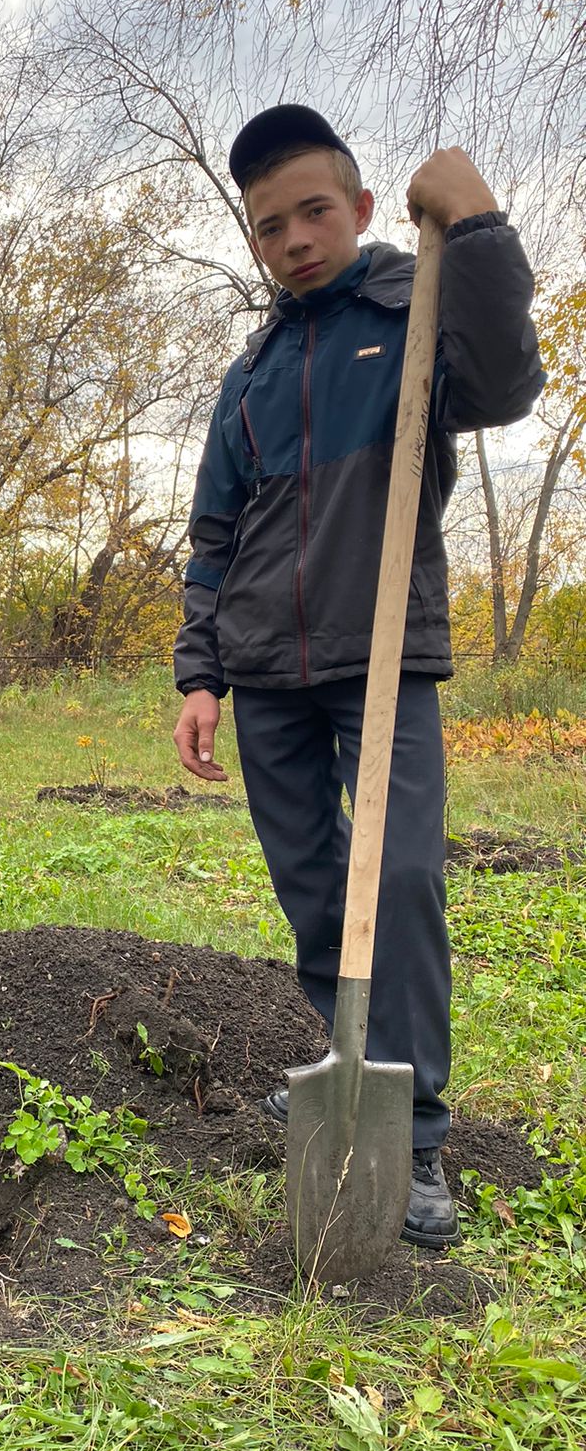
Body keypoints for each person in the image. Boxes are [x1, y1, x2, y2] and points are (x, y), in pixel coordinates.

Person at [172, 105, 544, 1248]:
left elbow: (509, 383)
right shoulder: (252, 371)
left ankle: (418, 1129)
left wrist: (476, 225)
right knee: (317, 889)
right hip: (265, 675)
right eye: (269, 225)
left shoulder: (411, 307)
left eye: (314, 212)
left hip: (383, 654)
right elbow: (214, 533)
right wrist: (201, 674)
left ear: (363, 210)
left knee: (408, 883)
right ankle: (348, 1062)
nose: (294, 239)